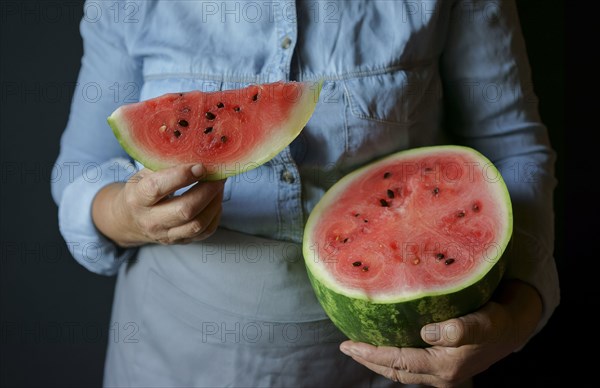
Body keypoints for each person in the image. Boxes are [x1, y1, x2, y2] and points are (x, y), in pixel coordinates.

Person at [51, 1, 559, 386]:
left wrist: (515, 318)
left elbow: (511, 148)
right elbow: (81, 172)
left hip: (394, 357)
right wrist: (127, 213)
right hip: (177, 355)